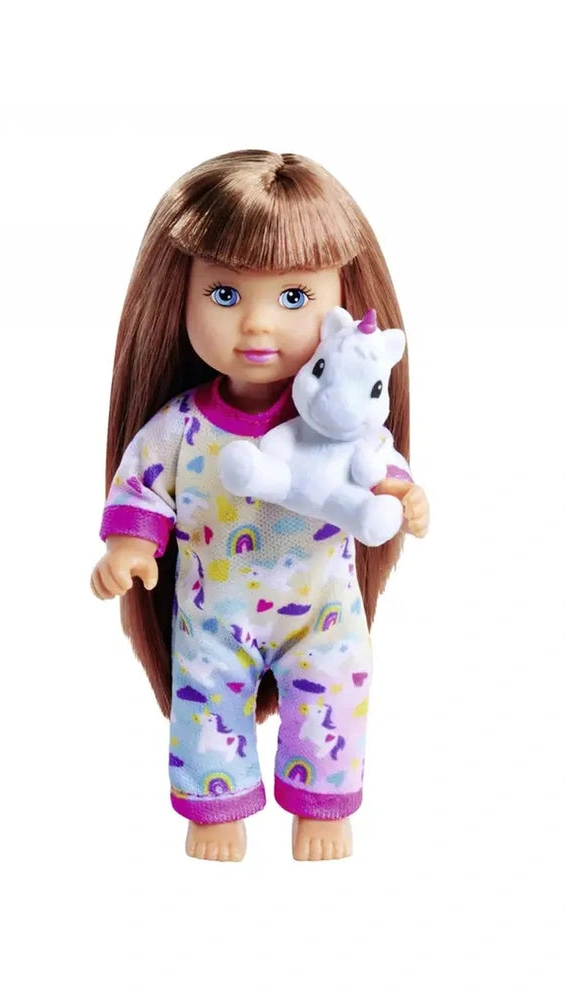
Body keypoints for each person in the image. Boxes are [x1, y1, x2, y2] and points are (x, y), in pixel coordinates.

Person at [90, 150, 429, 861]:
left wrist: (403, 494)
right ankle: (216, 809)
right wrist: (131, 545)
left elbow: (378, 467)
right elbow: (142, 482)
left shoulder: (339, 428)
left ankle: (322, 807)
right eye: (224, 293)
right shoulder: (183, 426)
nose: (256, 324)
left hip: (323, 611)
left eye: (295, 296)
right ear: (178, 293)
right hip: (215, 613)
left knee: (334, 701)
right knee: (205, 700)